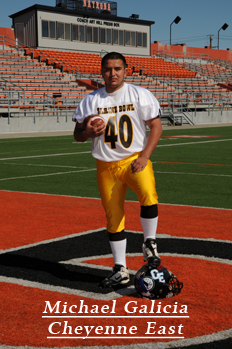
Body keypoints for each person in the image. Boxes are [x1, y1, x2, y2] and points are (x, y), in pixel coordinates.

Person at [72, 52, 163, 288]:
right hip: (105, 164)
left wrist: (144, 156)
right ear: (101, 72)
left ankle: (149, 243)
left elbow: (155, 126)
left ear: (126, 70)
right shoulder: (91, 100)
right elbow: (77, 135)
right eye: (108, 69)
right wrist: (88, 133)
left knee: (148, 193)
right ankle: (120, 268)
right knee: (113, 217)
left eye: (117, 68)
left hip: (134, 159)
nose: (112, 73)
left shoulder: (139, 94)